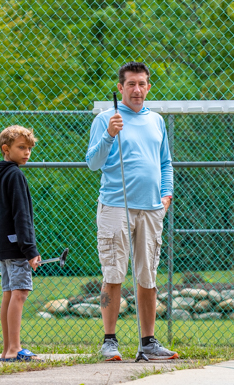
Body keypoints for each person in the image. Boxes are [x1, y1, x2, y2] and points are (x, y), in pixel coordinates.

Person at [85, 61, 176, 361]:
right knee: (113, 273)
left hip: (151, 209)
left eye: (142, 84)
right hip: (115, 206)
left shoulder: (157, 121)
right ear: (120, 88)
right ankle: (109, 340)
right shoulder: (105, 119)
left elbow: (165, 163)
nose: (137, 90)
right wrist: (109, 134)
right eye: (131, 84)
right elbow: (93, 163)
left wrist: (166, 194)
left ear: (149, 86)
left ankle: (147, 342)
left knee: (147, 277)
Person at [0, 125, 42, 362]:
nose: (27, 152)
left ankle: (8, 348)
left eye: (29, 148)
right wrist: (30, 250)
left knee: (9, 293)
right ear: (5, 149)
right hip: (17, 246)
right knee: (20, 293)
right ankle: (13, 350)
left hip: (3, 245)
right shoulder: (15, 175)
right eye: (21, 147)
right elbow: (22, 216)